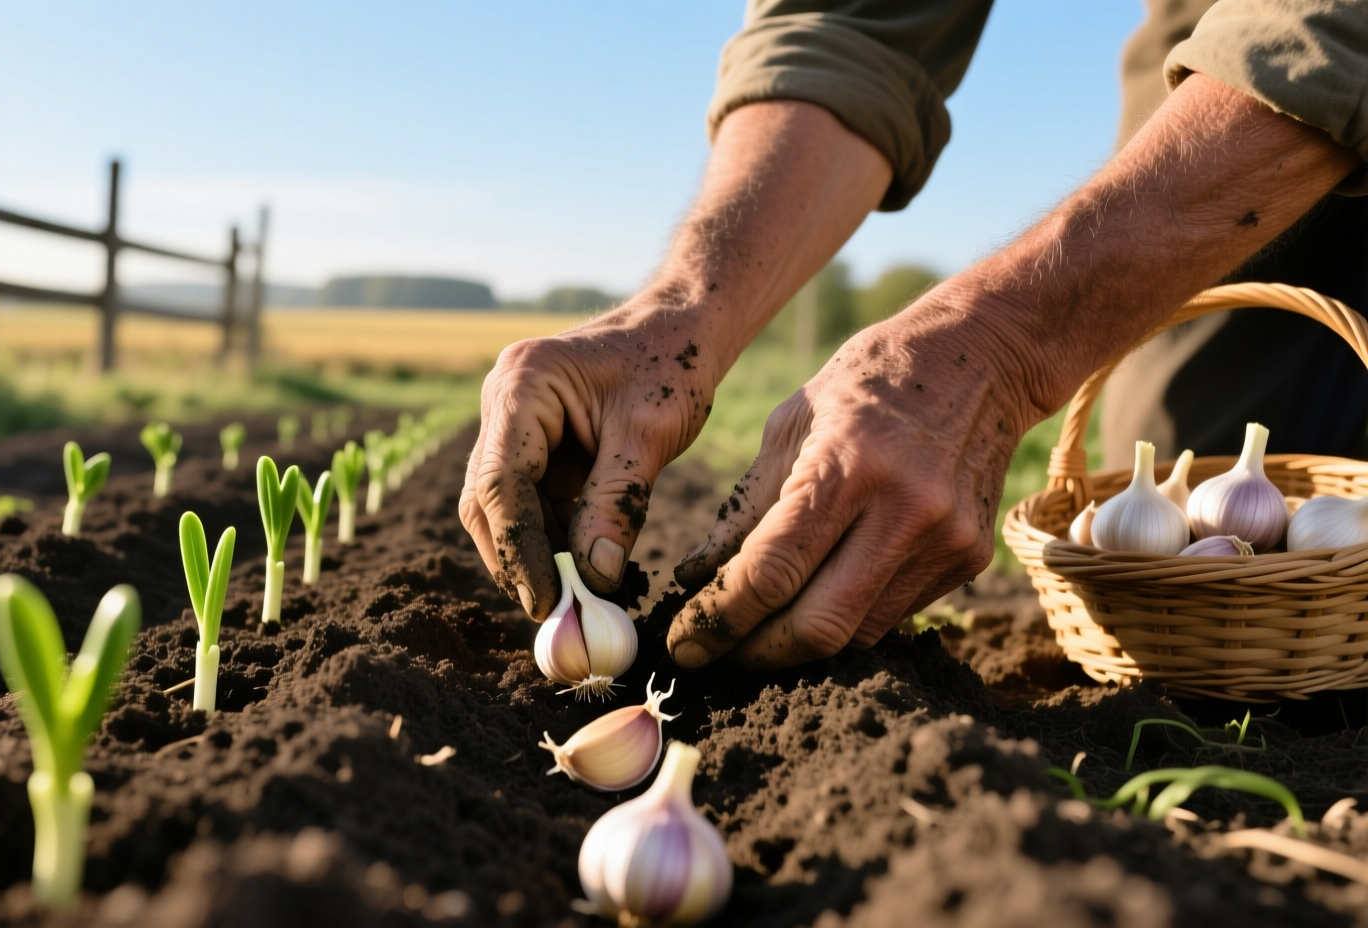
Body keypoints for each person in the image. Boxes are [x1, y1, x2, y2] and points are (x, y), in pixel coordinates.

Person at [458, 0, 1368, 671]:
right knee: (1188, 540)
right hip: (1222, 62)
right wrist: (680, 315)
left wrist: (1005, 342)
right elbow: (853, 21)